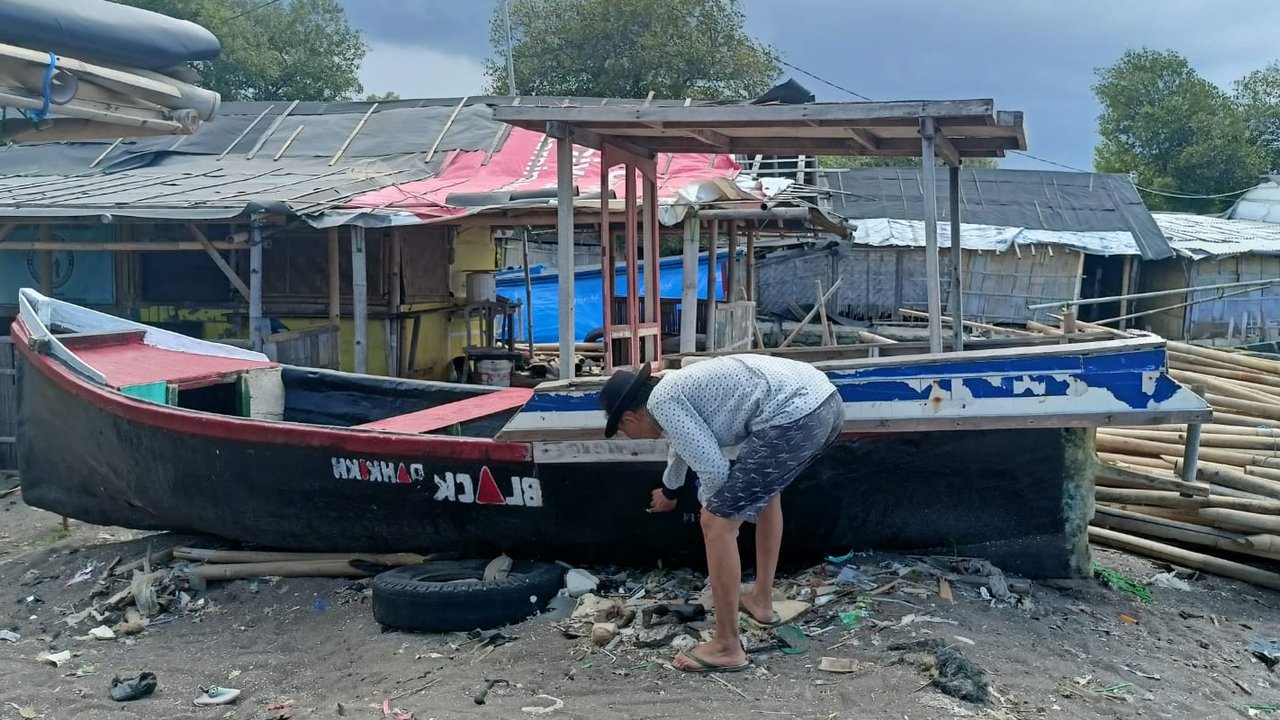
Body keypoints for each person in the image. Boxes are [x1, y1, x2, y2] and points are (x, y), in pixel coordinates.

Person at [598, 354, 844, 673]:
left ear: (629, 419)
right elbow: (684, 446)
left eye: (620, 431)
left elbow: (713, 470)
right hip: (824, 403)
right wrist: (671, 490)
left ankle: (727, 646)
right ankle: (762, 602)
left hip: (794, 414)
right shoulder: (669, 389)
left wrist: (716, 515)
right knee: (768, 496)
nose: (625, 436)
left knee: (715, 523)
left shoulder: (663, 402)